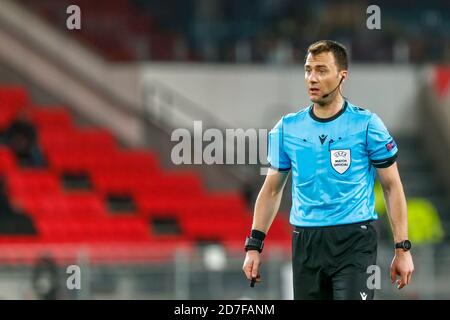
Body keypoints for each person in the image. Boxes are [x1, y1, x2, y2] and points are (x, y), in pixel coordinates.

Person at [242, 40, 414, 300]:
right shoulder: (287, 129)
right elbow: (272, 189)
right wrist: (254, 246)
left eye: (321, 70)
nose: (312, 78)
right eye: (308, 69)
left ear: (342, 76)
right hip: (306, 242)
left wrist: (402, 249)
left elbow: (392, 186)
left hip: (354, 240)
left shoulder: (367, 125)